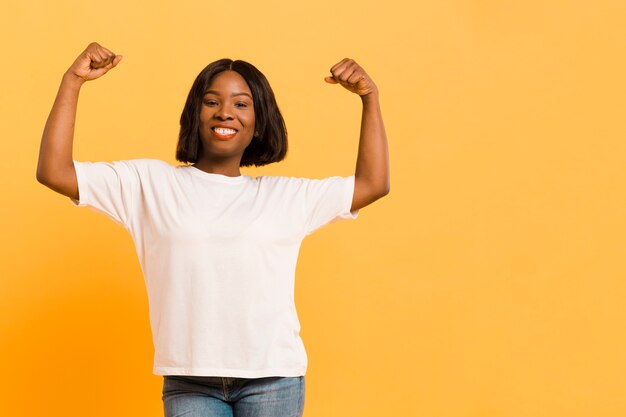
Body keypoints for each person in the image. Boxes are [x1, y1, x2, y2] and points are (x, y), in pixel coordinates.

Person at [36, 42, 390, 417]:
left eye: (241, 104)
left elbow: (373, 183)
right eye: (212, 101)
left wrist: (370, 98)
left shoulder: (286, 196)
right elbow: (54, 172)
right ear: (195, 113)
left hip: (273, 379)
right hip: (190, 382)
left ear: (258, 122)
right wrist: (72, 81)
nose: (225, 112)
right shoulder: (149, 184)